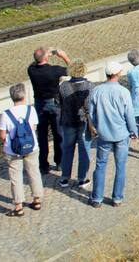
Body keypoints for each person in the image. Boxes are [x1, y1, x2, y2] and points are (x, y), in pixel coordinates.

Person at [87, 61, 137, 207]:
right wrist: (133, 130)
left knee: (101, 165)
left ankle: (97, 198)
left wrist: (96, 127)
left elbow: (91, 114)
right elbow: (129, 114)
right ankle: (117, 198)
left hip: (104, 134)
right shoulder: (123, 92)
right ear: (118, 74)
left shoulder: (96, 91)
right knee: (120, 166)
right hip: (121, 134)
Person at [0, 83, 42, 217]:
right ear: (24, 95)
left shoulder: (6, 114)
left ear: (12, 97)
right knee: (34, 172)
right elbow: (33, 127)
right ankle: (37, 199)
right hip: (31, 147)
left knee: (15, 177)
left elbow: (1, 135)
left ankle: (18, 206)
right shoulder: (31, 110)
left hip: (13, 150)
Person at [27, 47, 69, 175]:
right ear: (46, 58)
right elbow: (74, 69)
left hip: (39, 104)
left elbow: (33, 63)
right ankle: (60, 162)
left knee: (42, 135)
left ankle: (43, 165)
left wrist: (45, 55)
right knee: (58, 134)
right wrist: (63, 55)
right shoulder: (54, 70)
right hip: (54, 104)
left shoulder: (32, 70)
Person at [57, 60, 93, 188]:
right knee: (84, 150)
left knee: (67, 149)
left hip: (67, 121)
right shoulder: (88, 86)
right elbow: (89, 105)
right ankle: (82, 178)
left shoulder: (63, 86)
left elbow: (61, 104)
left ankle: (65, 177)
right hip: (82, 121)